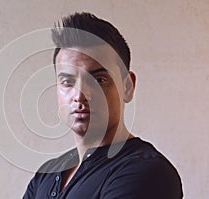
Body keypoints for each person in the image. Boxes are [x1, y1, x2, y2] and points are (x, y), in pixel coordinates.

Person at [23, 12, 183, 199]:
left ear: (127, 87)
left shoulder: (146, 173)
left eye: (99, 79)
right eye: (68, 81)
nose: (80, 95)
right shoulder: (46, 175)